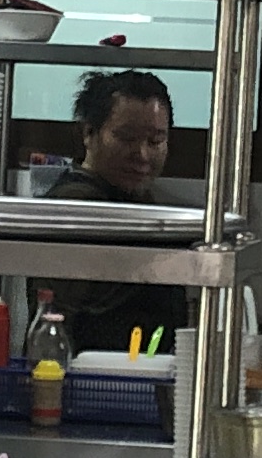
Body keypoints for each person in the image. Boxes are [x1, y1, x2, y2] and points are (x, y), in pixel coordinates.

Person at [36, 65, 191, 351]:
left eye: (155, 141)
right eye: (126, 138)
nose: (142, 154)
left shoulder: (132, 197)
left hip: (138, 369)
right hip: (79, 372)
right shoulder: (74, 203)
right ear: (89, 133)